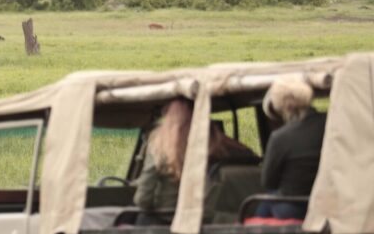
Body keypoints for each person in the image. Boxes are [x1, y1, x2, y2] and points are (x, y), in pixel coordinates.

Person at [134, 99, 257, 224]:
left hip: (166, 218)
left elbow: (142, 198)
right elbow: (249, 156)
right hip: (201, 219)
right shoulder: (215, 145)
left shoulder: (160, 148)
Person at [256, 76, 327, 220]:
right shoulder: (331, 123)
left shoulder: (280, 137)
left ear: (281, 105)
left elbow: (268, 181)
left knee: (265, 203)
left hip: (294, 207)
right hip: (329, 202)